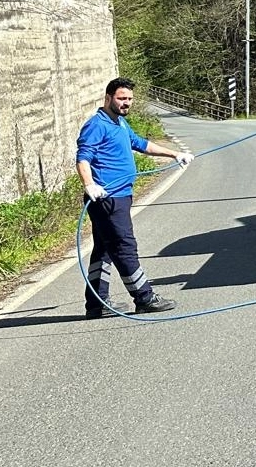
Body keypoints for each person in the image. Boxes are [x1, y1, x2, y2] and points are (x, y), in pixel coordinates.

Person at [75, 77, 193, 318]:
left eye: (129, 99)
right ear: (108, 98)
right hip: (108, 198)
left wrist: (175, 154)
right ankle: (144, 297)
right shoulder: (97, 125)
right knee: (124, 246)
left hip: (120, 196)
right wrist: (89, 184)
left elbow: (141, 144)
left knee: (104, 249)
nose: (126, 103)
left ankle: (97, 304)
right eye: (121, 98)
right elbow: (83, 157)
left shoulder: (119, 122)